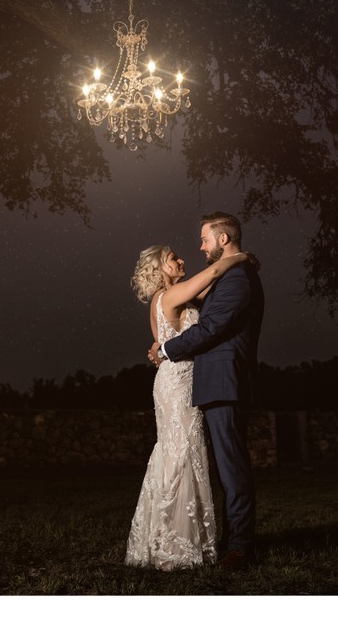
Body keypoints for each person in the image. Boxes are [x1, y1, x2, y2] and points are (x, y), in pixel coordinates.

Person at [150, 212, 264, 571]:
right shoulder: (227, 276)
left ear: (224, 240)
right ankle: (226, 539)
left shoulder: (238, 278)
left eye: (205, 239)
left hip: (225, 380)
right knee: (221, 469)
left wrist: (167, 349)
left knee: (232, 468)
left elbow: (213, 326)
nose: (200, 247)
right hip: (210, 383)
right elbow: (198, 313)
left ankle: (242, 547)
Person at [125, 244, 250, 571]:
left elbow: (207, 288)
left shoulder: (166, 299)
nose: (181, 260)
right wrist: (236, 257)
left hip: (171, 380)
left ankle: (166, 540)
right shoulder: (173, 294)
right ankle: (176, 547)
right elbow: (210, 274)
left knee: (175, 452)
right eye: (173, 258)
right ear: (160, 269)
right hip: (179, 383)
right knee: (182, 454)